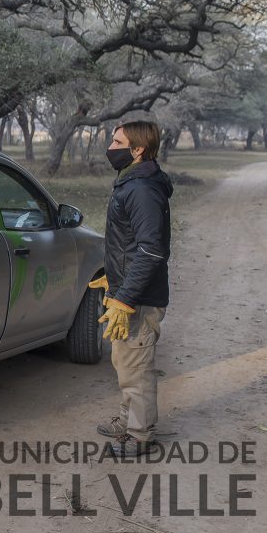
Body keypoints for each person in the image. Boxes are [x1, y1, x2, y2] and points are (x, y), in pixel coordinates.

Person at [88, 120, 173, 457]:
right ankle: (128, 419)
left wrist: (124, 296)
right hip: (127, 291)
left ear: (137, 150)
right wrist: (114, 277)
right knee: (125, 362)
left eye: (117, 141)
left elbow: (151, 249)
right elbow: (128, 243)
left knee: (136, 365)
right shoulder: (132, 181)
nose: (111, 146)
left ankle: (140, 436)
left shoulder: (141, 189)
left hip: (137, 298)